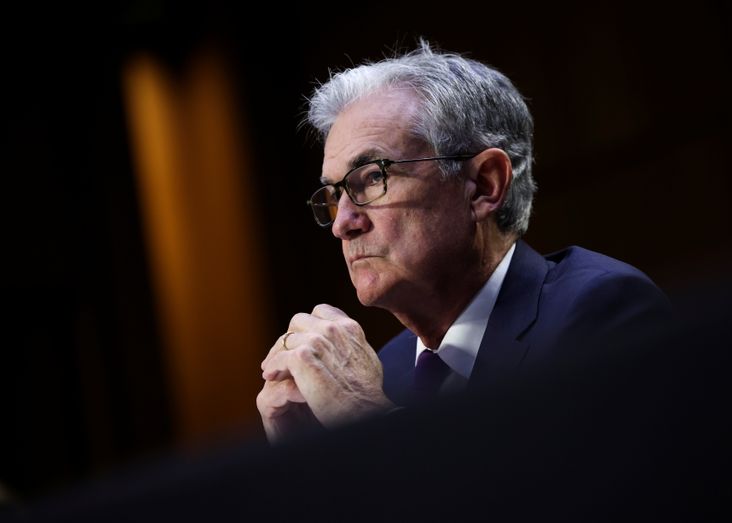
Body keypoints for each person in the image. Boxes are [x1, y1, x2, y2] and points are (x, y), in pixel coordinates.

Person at [257, 40, 671, 443]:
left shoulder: (600, 314)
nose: (342, 223)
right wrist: (311, 463)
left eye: (374, 177)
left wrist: (368, 421)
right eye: (335, 194)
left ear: (482, 185)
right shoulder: (386, 371)